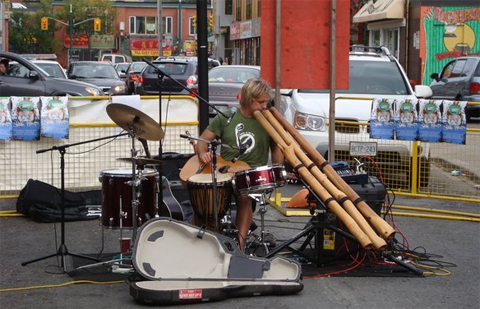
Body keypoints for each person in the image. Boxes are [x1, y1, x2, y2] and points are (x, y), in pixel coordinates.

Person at [195, 79, 284, 251]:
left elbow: (277, 149)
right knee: (206, 195)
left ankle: (240, 246)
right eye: (261, 102)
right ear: (249, 99)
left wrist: (277, 170)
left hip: (251, 174)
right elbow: (202, 141)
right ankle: (213, 241)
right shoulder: (227, 117)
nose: (265, 106)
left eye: (266, 102)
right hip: (225, 171)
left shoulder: (268, 121)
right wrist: (202, 153)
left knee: (244, 197)